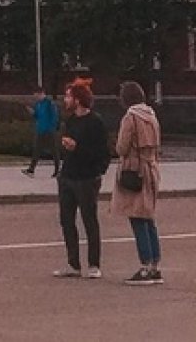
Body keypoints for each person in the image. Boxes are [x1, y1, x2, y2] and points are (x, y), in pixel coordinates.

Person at [54, 82, 109, 279]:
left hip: (87, 178)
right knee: (66, 220)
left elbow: (102, 153)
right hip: (68, 176)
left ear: (77, 99)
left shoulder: (95, 122)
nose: (65, 100)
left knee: (89, 220)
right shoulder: (70, 121)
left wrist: (96, 172)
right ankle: (73, 264)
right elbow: (67, 147)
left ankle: (94, 264)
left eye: (68, 96)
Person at [111, 80, 163, 284]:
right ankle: (155, 265)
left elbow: (122, 148)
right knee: (149, 217)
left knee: (136, 217)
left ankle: (144, 266)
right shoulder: (152, 116)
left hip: (134, 169)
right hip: (151, 167)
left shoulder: (130, 117)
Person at [24, 87, 60, 177]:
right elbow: (37, 116)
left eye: (37, 95)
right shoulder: (38, 104)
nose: (36, 97)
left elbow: (54, 116)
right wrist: (32, 113)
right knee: (36, 149)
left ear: (42, 93)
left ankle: (57, 170)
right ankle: (31, 170)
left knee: (54, 150)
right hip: (40, 130)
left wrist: (52, 127)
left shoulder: (49, 103)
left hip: (49, 130)